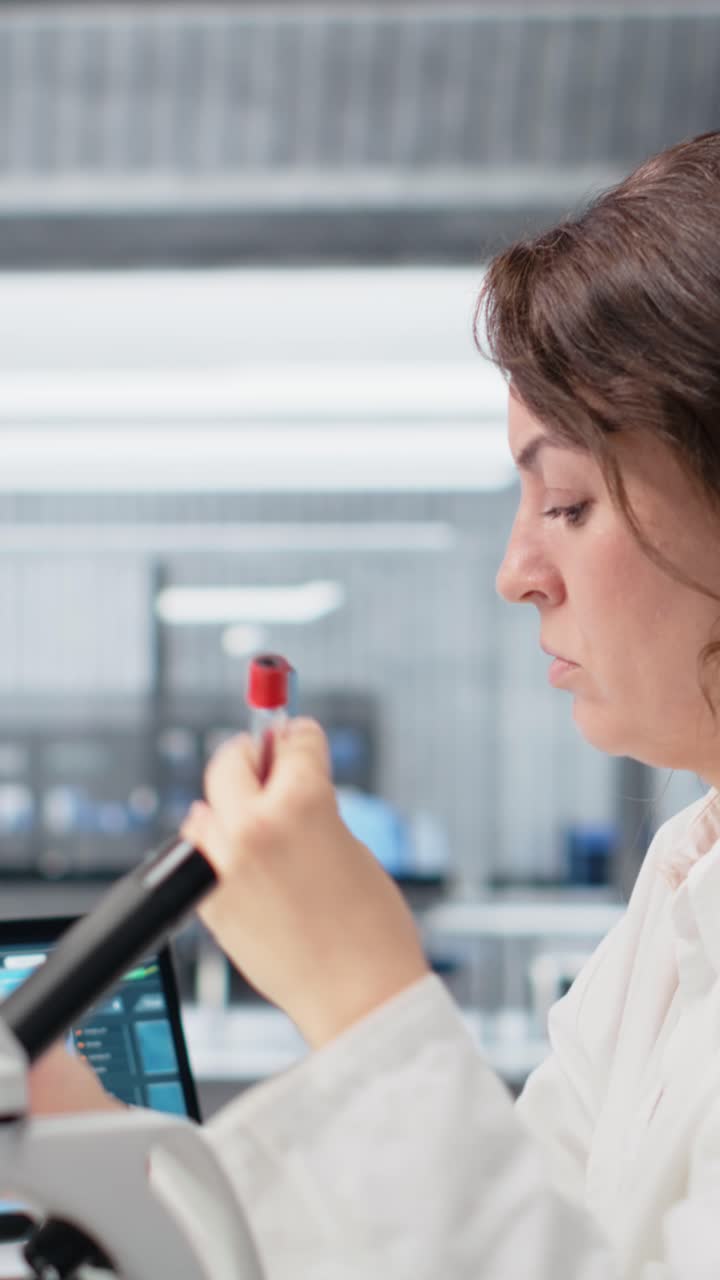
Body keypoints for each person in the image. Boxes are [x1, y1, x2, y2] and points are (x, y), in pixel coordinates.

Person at [30, 128, 720, 1277]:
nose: (515, 572)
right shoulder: (688, 877)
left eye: (567, 502)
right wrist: (85, 1140)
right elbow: (528, 1221)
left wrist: (357, 987)